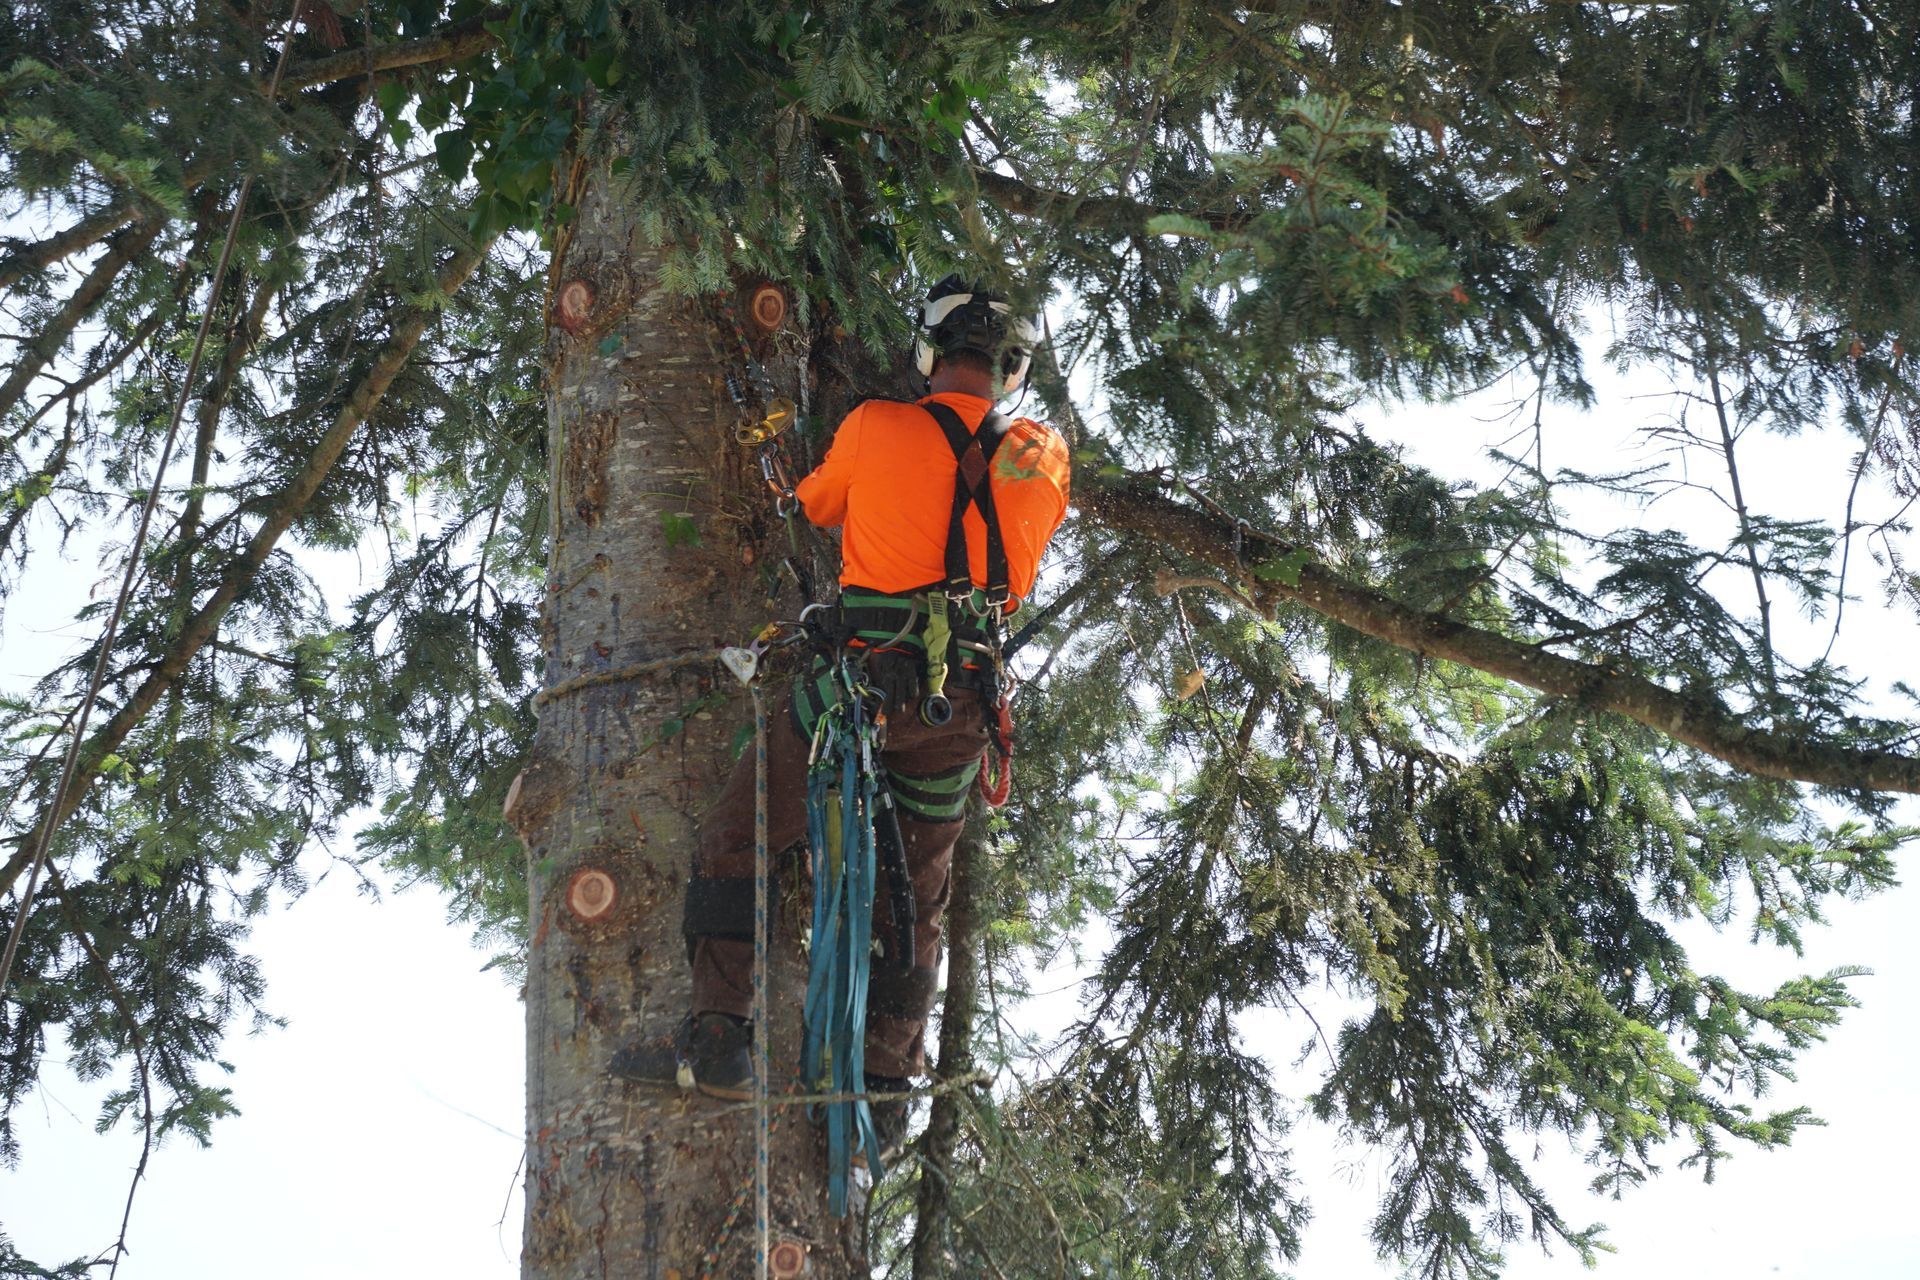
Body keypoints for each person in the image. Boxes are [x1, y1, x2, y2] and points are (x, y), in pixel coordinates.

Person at [610, 275, 1071, 1162]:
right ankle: (881, 1093)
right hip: (959, 712)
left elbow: (818, 507)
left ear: (930, 353)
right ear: (1011, 369)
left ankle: (715, 1042)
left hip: (857, 698)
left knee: (739, 831)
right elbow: (1017, 566)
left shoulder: (873, 425)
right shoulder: (1043, 456)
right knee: (918, 901)